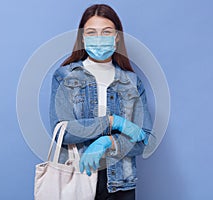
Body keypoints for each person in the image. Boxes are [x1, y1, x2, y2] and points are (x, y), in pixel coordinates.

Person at [49, 4, 152, 200]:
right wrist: (111, 122)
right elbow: (63, 132)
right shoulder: (65, 76)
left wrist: (108, 142)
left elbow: (145, 139)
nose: (99, 38)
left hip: (121, 183)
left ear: (117, 36)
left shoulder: (131, 81)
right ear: (82, 37)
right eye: (91, 32)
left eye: (106, 32)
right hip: (76, 179)